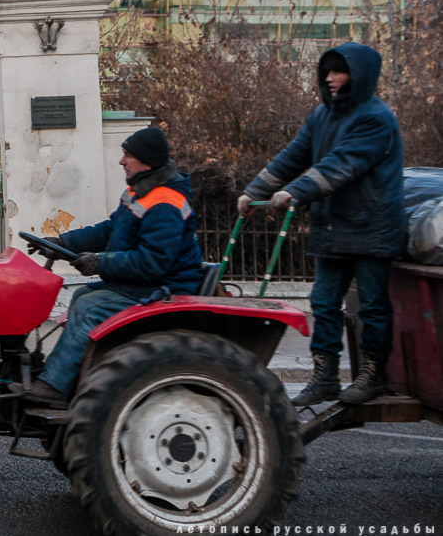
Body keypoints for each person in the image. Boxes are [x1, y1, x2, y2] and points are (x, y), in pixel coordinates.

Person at [238, 42, 404, 406]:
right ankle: (325, 377)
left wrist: (294, 192)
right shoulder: (321, 116)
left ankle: (373, 376)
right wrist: (255, 191)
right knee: (324, 303)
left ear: (359, 76)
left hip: (373, 229)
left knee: (373, 307)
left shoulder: (376, 119)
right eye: (326, 71)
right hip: (333, 228)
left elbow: (343, 165)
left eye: (338, 71)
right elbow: (293, 155)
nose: (329, 78)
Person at [26, 126, 203, 408]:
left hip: (162, 288)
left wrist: (100, 262)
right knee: (82, 296)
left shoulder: (166, 202)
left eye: (127, 155)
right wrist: (61, 242)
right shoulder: (140, 192)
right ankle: (74, 378)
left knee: (89, 307)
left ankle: (54, 387)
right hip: (141, 284)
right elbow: (110, 230)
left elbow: (152, 262)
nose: (122, 161)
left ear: (146, 161)